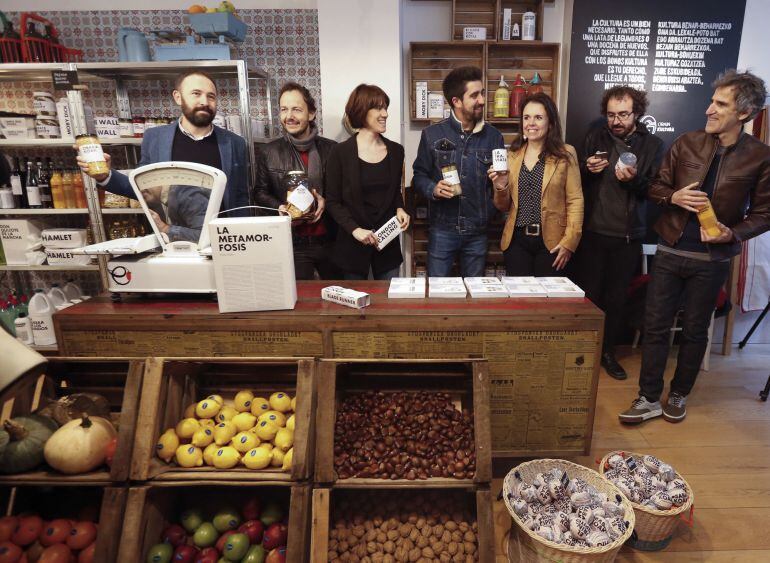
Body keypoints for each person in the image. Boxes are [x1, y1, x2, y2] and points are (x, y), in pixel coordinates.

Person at [620, 70, 770, 424]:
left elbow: (765, 213)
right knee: (655, 327)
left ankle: (679, 393)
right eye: (712, 100)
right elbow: (655, 188)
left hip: (712, 259)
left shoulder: (761, 157)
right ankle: (648, 398)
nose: (709, 109)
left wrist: (731, 234)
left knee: (694, 331)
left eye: (720, 104)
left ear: (744, 113)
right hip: (671, 251)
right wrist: (674, 195)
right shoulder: (686, 142)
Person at [77, 70, 249, 222]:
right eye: (196, 93)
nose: (204, 101)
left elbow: (241, 196)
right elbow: (142, 187)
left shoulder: (234, 143)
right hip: (173, 237)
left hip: (223, 238)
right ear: (178, 97)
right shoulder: (155, 139)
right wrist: (105, 176)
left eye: (211, 96)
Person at [576, 86, 664, 380]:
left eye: (623, 114)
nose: (616, 120)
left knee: (616, 299)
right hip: (592, 232)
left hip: (628, 236)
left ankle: (608, 353)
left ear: (637, 113)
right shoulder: (595, 135)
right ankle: (584, 351)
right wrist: (587, 168)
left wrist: (633, 180)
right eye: (611, 114)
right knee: (589, 296)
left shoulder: (652, 145)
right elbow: (578, 179)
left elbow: (653, 190)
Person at [413, 66, 504, 276]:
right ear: (456, 101)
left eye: (482, 93)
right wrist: (433, 189)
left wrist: (490, 209)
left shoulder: (494, 137)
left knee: (474, 297)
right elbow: (419, 175)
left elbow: (500, 184)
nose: (482, 100)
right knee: (437, 294)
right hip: (442, 230)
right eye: (474, 95)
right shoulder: (431, 134)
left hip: (478, 233)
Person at [488, 93, 583, 276]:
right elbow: (502, 206)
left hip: (553, 242)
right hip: (516, 242)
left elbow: (576, 200)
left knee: (547, 302)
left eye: (538, 117)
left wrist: (570, 242)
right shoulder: (512, 156)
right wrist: (500, 186)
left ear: (551, 123)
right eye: (526, 117)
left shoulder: (566, 154)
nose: (531, 123)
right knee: (520, 301)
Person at [252, 82, 340, 279]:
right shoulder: (268, 152)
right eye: (284, 109)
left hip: (330, 240)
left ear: (311, 114)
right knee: (302, 303)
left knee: (337, 298)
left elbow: (343, 191)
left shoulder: (333, 149)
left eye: (296, 109)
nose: (289, 116)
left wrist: (327, 201)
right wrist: (279, 206)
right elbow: (259, 192)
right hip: (292, 242)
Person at [325, 84, 410, 280]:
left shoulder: (397, 151)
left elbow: (394, 191)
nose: (385, 114)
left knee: (389, 305)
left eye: (385, 108)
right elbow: (332, 201)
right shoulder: (339, 153)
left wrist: (400, 208)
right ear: (361, 111)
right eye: (378, 108)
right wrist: (354, 230)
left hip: (387, 245)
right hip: (352, 246)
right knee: (354, 307)